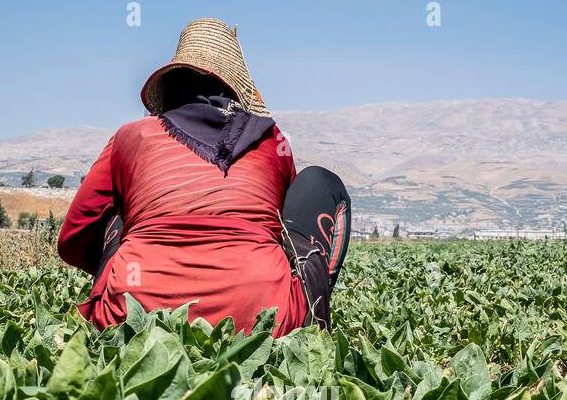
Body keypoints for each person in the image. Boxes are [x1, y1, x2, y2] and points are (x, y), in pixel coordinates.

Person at [57, 18, 350, 337]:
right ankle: (312, 328)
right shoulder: (271, 140)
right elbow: (281, 228)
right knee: (321, 181)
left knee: (120, 211)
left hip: (132, 316)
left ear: (168, 88)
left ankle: (120, 304)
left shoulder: (131, 136)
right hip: (263, 317)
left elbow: (73, 239)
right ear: (236, 89)